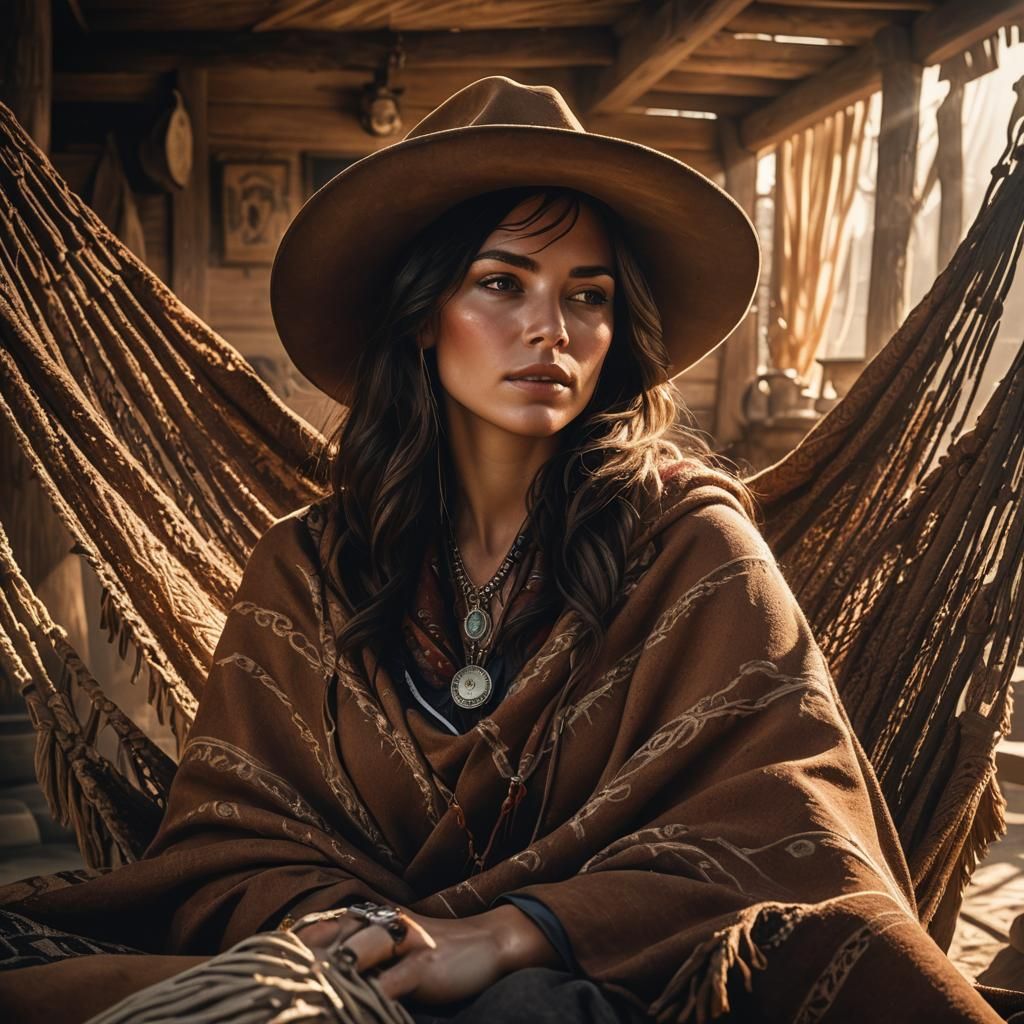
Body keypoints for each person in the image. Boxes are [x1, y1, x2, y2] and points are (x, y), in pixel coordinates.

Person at [0, 76, 1005, 1023]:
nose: (550, 330)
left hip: (593, 992)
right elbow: (226, 845)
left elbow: (794, 837)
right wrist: (355, 932)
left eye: (587, 295)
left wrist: (519, 929)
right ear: (422, 316)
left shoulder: (693, 546)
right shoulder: (303, 567)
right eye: (501, 282)